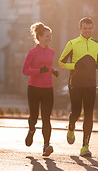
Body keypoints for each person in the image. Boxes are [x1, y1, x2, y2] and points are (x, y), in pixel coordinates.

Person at [58, 17, 98, 157]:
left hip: (90, 84)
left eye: (89, 28)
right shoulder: (72, 43)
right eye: (84, 28)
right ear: (80, 29)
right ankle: (71, 126)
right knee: (76, 113)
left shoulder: (97, 44)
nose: (87, 30)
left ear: (93, 29)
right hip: (76, 84)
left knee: (89, 115)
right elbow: (61, 62)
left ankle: (85, 147)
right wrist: (74, 66)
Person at [23, 22, 58, 157]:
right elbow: (25, 70)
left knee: (46, 118)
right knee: (33, 116)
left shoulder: (51, 52)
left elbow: (48, 66)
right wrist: (39, 71)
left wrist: (53, 71)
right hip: (34, 89)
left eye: (50, 36)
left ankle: (46, 145)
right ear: (39, 37)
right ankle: (32, 130)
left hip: (48, 89)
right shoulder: (32, 53)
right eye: (47, 36)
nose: (49, 39)